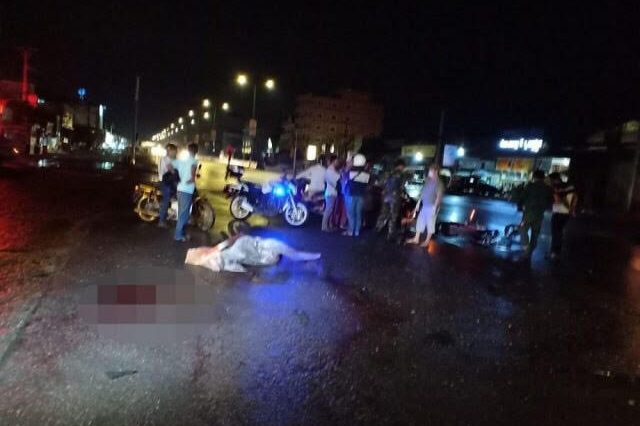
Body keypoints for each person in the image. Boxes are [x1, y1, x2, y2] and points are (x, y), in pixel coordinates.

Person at [407, 164, 444, 248]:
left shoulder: (439, 183)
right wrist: (418, 204)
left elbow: (439, 196)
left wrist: (435, 207)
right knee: (420, 221)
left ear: (435, 172)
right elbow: (422, 193)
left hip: (432, 206)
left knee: (430, 224)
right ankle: (416, 239)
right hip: (424, 205)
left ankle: (427, 241)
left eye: (431, 171)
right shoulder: (428, 181)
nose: (429, 172)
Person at [519, 170, 554, 257]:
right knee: (535, 232)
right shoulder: (548, 188)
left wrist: (520, 206)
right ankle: (531, 250)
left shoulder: (530, 186)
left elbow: (522, 197)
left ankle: (526, 247)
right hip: (540, 213)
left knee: (522, 228)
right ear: (543, 177)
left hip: (529, 212)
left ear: (534, 177)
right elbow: (551, 201)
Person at [375, 158, 408, 241]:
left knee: (383, 214)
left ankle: (377, 229)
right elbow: (402, 186)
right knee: (393, 216)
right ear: (401, 166)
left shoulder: (388, 173)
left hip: (385, 197)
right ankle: (390, 234)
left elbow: (380, 183)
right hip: (395, 198)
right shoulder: (402, 175)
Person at [172, 143, 199, 242]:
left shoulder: (181, 160)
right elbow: (192, 175)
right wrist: (192, 179)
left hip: (180, 188)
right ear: (196, 151)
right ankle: (178, 235)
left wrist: (177, 176)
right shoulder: (194, 161)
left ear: (188, 150)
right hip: (187, 190)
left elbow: (170, 165)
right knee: (184, 215)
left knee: (181, 213)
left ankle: (181, 232)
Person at [549, 173, 578, 260]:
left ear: (554, 179)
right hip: (566, 213)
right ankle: (557, 251)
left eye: (550, 180)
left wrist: (554, 198)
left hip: (558, 212)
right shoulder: (570, 186)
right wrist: (572, 209)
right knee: (559, 232)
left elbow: (557, 200)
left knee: (556, 233)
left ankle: (554, 252)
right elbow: (575, 197)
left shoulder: (555, 187)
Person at [343, 154, 371, 237]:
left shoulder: (350, 173)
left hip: (350, 195)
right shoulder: (367, 175)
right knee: (358, 214)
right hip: (361, 196)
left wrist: (348, 166)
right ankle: (357, 231)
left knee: (351, 214)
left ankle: (350, 231)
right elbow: (368, 186)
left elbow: (344, 178)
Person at [158, 143, 178, 228]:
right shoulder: (165, 160)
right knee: (166, 200)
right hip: (165, 182)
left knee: (174, 196)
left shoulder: (173, 159)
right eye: (174, 151)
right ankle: (161, 221)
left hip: (170, 182)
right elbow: (172, 170)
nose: (175, 153)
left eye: (176, 151)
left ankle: (170, 214)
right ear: (170, 151)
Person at [322, 155, 341, 232]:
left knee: (330, 210)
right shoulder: (330, 171)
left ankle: (328, 225)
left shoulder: (332, 170)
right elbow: (333, 182)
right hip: (331, 192)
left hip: (332, 192)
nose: (338, 162)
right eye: (337, 161)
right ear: (334, 161)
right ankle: (324, 226)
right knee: (329, 210)